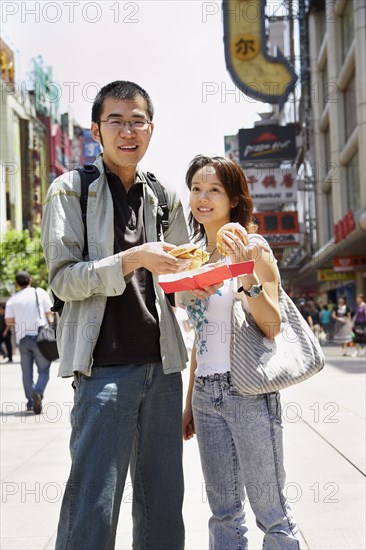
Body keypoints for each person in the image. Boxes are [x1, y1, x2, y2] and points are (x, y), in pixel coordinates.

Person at [41, 80, 201, 550]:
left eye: (138, 121)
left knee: (164, 509)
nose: (128, 131)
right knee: (94, 506)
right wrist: (133, 259)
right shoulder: (70, 189)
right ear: (96, 129)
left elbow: (177, 281)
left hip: (164, 370)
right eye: (116, 120)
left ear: (151, 129)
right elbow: (63, 279)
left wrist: (207, 268)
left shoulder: (165, 194)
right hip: (103, 370)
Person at [181, 155, 300, 549]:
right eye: (196, 188)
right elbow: (202, 335)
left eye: (214, 189)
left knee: (272, 513)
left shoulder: (255, 247)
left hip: (247, 391)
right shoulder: (196, 257)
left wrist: (244, 273)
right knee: (223, 513)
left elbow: (272, 325)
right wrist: (189, 403)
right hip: (205, 394)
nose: (203, 198)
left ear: (234, 198)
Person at [4, 271, 53, 413]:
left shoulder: (13, 299)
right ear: (30, 280)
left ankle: (31, 402)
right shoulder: (39, 292)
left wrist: (20, 320)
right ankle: (38, 391)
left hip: (23, 339)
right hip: (40, 337)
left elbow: (8, 320)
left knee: (26, 372)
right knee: (43, 369)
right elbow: (49, 311)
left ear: (17, 284)